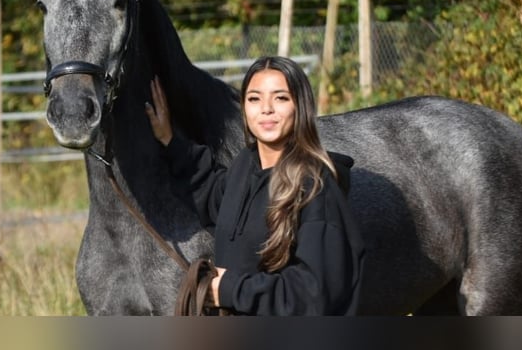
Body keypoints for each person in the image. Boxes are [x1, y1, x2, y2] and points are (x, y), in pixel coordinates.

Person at [145, 55, 365, 316]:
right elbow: (214, 194)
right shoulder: (246, 167)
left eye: (280, 98)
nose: (266, 108)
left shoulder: (316, 188)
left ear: (300, 106)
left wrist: (230, 289)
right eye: (254, 98)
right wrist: (171, 140)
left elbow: (314, 294)